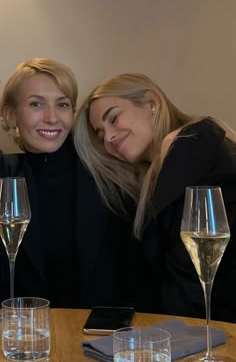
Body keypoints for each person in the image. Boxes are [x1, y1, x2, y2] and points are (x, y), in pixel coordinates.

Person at [74, 72, 236, 322]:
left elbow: (189, 278)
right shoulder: (165, 167)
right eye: (100, 134)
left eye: (114, 118)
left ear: (152, 103)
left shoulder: (189, 145)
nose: (108, 137)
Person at [0, 60, 141, 309]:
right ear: (11, 114)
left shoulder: (110, 176)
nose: (52, 118)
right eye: (36, 104)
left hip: (101, 338)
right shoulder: (5, 176)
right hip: (21, 338)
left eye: (62, 105)